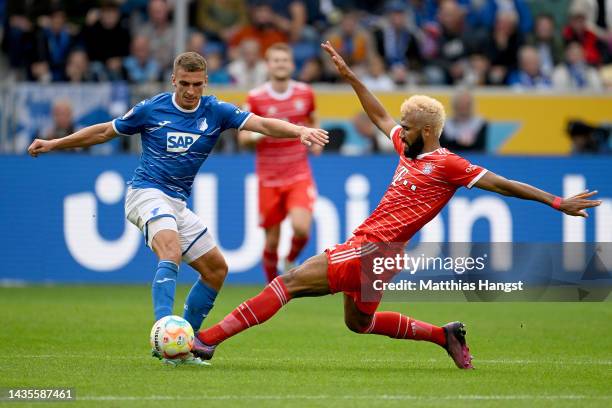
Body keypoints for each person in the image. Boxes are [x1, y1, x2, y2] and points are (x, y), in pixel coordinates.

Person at [189, 42, 602, 369]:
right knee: (360, 323)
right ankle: (445, 335)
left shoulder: (448, 164)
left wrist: (555, 201)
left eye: (407, 127)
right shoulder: (409, 147)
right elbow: (380, 116)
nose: (398, 131)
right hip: (385, 256)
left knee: (288, 282)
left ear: (426, 130)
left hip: (373, 248)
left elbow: (503, 184)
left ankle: (206, 341)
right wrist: (351, 77)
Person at [27, 51, 328, 366]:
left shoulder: (216, 110)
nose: (190, 91)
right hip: (145, 192)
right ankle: (163, 335)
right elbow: (105, 131)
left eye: (197, 84)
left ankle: (184, 344)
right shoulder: (151, 109)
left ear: (205, 82)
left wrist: (300, 131)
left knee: (216, 270)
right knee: (169, 250)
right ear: (174, 80)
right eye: (184, 83)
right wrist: (54, 143)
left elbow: (261, 123)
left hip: (176, 202)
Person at [238, 43, 320, 283]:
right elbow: (243, 138)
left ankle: (291, 258)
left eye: (285, 60)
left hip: (298, 173)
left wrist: (314, 140)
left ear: (292, 64)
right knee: (271, 240)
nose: (281, 64)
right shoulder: (255, 98)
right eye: (276, 60)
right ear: (268, 65)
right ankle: (272, 287)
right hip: (268, 177)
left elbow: (312, 118)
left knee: (302, 228)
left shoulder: (305, 93)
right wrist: (263, 132)